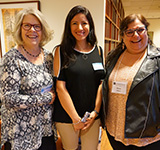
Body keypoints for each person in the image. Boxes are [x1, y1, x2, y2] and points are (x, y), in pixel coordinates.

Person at [101, 14, 160, 150]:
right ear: (123, 36)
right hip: (115, 133)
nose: (135, 35)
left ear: (147, 31)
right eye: (129, 32)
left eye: (140, 30)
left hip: (149, 138)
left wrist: (159, 120)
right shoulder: (113, 57)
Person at [0, 8, 57, 150]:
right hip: (21, 133)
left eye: (37, 26)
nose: (32, 30)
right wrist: (44, 98)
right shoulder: (11, 59)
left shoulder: (49, 57)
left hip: (45, 130)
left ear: (43, 30)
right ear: (20, 29)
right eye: (27, 25)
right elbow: (8, 99)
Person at [53, 5, 105, 150]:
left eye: (84, 23)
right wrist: (75, 118)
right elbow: (60, 87)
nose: (80, 28)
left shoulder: (98, 51)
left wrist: (95, 111)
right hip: (67, 116)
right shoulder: (61, 51)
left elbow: (101, 84)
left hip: (91, 117)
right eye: (74, 23)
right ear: (69, 26)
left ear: (90, 25)